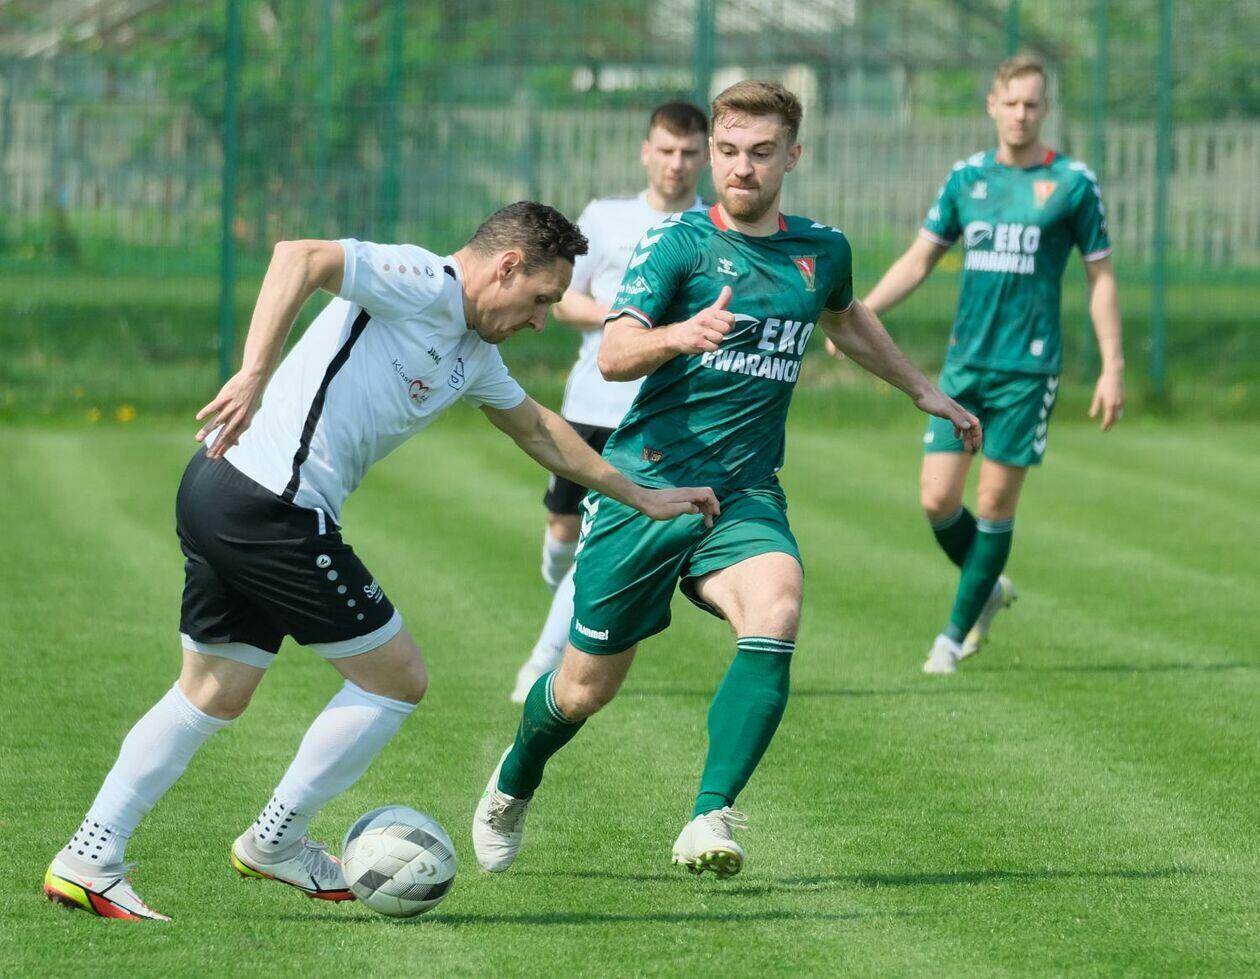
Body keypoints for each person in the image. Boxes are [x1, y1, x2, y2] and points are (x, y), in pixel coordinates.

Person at [43, 201, 719, 921]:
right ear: (506, 267)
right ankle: (276, 839)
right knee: (397, 678)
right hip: (271, 506)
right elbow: (298, 256)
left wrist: (641, 496)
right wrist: (252, 373)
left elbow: (539, 430)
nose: (540, 321)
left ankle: (89, 858)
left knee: (212, 691)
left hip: (228, 494)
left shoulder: (473, 353)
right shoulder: (423, 281)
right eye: (540, 299)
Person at [471, 82, 981, 880]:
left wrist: (923, 389)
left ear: (792, 156)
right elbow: (614, 354)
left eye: (762, 153)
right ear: (714, 153)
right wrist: (682, 334)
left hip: (743, 490)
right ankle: (514, 779)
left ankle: (709, 813)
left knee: (778, 603)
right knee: (583, 690)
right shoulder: (677, 244)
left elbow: (846, 316)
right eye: (730, 151)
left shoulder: (823, 250)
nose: (743, 168)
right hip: (647, 486)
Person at [828, 54, 1124, 675]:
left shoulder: (1072, 182)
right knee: (937, 498)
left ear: (1046, 110)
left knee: (992, 502)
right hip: (965, 367)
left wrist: (1113, 365)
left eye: (1032, 104)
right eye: (1011, 102)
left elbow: (1100, 277)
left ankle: (950, 639)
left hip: (1027, 371)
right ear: (992, 105)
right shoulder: (967, 178)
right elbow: (918, 260)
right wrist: (856, 315)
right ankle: (986, 587)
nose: (1021, 114)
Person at [513, 101, 709, 703]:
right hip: (589, 404)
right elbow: (561, 300)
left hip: (653, 417)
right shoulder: (606, 217)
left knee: (594, 547)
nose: (676, 163)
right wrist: (629, 321)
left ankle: (541, 664)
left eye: (689, 153)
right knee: (562, 537)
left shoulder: (713, 227)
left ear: (704, 157)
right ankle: (562, 593)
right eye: (666, 150)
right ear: (646, 152)